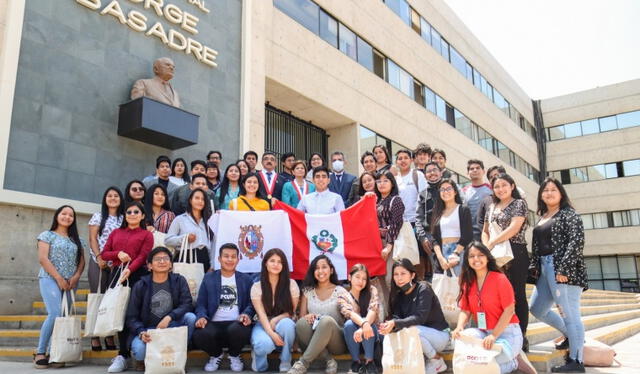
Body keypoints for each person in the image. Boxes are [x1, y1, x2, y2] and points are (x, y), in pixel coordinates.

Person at [529, 178, 587, 373]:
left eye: (554, 189)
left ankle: (576, 361)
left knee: (571, 315)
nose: (549, 193)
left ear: (561, 193)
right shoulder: (543, 216)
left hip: (562, 269)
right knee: (537, 308)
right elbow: (537, 247)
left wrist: (564, 269)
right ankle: (571, 336)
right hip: (544, 269)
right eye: (545, 190)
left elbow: (576, 242)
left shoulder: (569, 214)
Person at [451, 242, 535, 374]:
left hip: (507, 333)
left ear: (488, 257)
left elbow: (509, 311)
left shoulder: (500, 279)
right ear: (467, 259)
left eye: (480, 255)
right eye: (472, 256)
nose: (476, 259)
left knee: (485, 365)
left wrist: (494, 336)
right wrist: (459, 327)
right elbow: (465, 310)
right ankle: (510, 358)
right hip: (484, 333)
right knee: (463, 338)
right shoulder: (467, 281)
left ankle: (514, 362)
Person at [126, 247, 197, 372]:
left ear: (170, 264)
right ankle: (143, 361)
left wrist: (169, 317)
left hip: (172, 326)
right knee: (139, 351)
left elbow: (187, 304)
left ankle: (178, 355)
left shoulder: (179, 280)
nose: (162, 262)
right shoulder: (140, 285)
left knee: (190, 318)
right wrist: (141, 332)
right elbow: (131, 317)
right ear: (149, 266)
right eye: (157, 259)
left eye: (166, 259)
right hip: (149, 331)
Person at [102, 201, 154, 373]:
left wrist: (130, 269)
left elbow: (144, 255)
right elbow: (104, 253)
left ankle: (141, 354)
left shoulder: (146, 234)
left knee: (137, 313)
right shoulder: (116, 232)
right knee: (120, 315)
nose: (132, 214)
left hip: (138, 276)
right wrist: (118, 254)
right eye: (129, 211)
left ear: (142, 215)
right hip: (117, 275)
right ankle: (122, 355)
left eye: (136, 211)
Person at [34, 206, 86, 369]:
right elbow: (43, 259)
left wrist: (76, 276)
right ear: (57, 216)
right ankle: (41, 352)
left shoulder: (77, 239)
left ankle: (55, 353)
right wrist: (58, 278)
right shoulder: (47, 235)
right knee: (55, 313)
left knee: (63, 317)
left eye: (71, 215)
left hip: (71, 282)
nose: (67, 217)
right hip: (50, 279)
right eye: (64, 213)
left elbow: (82, 261)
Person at [482, 173, 529, 350]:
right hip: (495, 255)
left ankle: (522, 336)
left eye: (504, 185)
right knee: (499, 296)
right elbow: (485, 230)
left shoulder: (519, 203)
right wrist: (487, 246)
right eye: (496, 186)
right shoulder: (492, 206)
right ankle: (502, 332)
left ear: (512, 186)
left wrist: (493, 243)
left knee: (517, 295)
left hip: (515, 253)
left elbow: (514, 228)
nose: (500, 189)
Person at [379, 259, 449, 374]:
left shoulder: (423, 288)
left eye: (403, 273)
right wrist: (388, 326)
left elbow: (420, 317)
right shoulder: (399, 295)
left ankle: (436, 360)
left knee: (412, 329)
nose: (399, 278)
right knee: (397, 332)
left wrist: (395, 323)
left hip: (440, 336)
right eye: (396, 274)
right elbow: (397, 318)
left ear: (412, 275)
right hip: (418, 337)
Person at [193, 243, 255, 372]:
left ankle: (234, 355)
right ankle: (216, 355)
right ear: (219, 259)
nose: (230, 259)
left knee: (241, 329)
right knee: (199, 334)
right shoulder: (209, 278)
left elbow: (251, 304)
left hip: (236, 324)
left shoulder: (246, 280)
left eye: (233, 256)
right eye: (226, 256)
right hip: (214, 324)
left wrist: (246, 314)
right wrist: (202, 317)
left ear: (238, 259)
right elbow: (201, 304)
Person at [289, 255, 348, 374]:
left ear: (331, 270)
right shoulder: (307, 292)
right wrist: (307, 317)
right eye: (317, 268)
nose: (320, 271)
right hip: (312, 339)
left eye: (324, 267)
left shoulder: (340, 291)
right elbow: (302, 318)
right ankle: (328, 360)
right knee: (301, 324)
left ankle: (303, 363)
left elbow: (349, 315)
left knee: (326, 321)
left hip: (336, 341)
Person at [88, 187, 124, 351]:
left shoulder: (124, 218)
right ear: (105, 199)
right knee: (98, 297)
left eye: (116, 195)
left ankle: (108, 334)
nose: (113, 198)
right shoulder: (98, 216)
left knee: (111, 300)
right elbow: (93, 238)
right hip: (99, 263)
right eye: (109, 195)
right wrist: (98, 257)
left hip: (116, 265)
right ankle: (94, 336)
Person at [251, 248, 299, 373]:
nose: (276, 264)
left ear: (284, 265)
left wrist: (276, 319)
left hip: (283, 321)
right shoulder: (257, 287)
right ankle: (258, 356)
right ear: (265, 263)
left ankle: (285, 359)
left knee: (288, 324)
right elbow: (261, 315)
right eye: (272, 261)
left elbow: (291, 312)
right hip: (262, 324)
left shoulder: (291, 284)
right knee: (263, 346)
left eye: (280, 262)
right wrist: (271, 333)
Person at [338, 264, 380, 374]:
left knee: (369, 325)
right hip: (353, 339)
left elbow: (373, 310)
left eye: (364, 279)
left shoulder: (372, 290)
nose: (360, 281)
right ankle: (355, 361)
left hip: (371, 337)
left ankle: (369, 362)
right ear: (349, 277)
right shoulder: (343, 295)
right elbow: (350, 314)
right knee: (349, 324)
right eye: (357, 277)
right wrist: (364, 324)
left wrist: (364, 326)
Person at [374, 171, 404, 317]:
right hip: (377, 243)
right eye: (379, 181)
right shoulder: (376, 201)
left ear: (392, 183)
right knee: (381, 279)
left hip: (391, 243)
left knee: (391, 279)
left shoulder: (396, 200)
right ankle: (388, 312)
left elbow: (396, 224)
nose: (382, 184)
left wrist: (388, 246)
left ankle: (399, 311)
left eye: (386, 180)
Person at [430, 179, 473, 276]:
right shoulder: (437, 212)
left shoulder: (463, 209)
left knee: (460, 286)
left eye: (449, 188)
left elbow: (468, 235)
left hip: (459, 252)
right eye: (442, 189)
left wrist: (455, 254)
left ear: (455, 191)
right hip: (441, 253)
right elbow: (434, 238)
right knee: (442, 288)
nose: (445, 192)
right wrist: (440, 258)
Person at [166, 188, 214, 272]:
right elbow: (167, 240)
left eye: (203, 199)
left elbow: (212, 245)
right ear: (190, 200)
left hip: (205, 258)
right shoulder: (180, 219)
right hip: (186, 256)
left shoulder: (208, 221)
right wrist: (184, 238)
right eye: (197, 198)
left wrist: (212, 264)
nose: (200, 201)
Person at [415, 162, 444, 281]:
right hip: (430, 237)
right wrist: (423, 237)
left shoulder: (449, 188)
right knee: (437, 270)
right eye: (429, 171)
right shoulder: (422, 194)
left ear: (440, 172)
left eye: (435, 170)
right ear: (425, 175)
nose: (432, 173)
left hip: (449, 236)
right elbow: (418, 218)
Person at [460, 160, 492, 240]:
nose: (475, 170)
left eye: (478, 168)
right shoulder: (463, 191)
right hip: (469, 235)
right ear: (467, 173)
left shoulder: (492, 189)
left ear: (483, 171)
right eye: (472, 169)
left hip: (488, 234)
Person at [394, 149, 428, 224]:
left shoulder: (418, 175)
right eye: (400, 159)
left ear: (411, 160)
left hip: (416, 222)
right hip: (400, 223)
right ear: (396, 163)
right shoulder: (395, 179)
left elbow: (425, 198)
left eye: (406, 158)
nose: (403, 161)